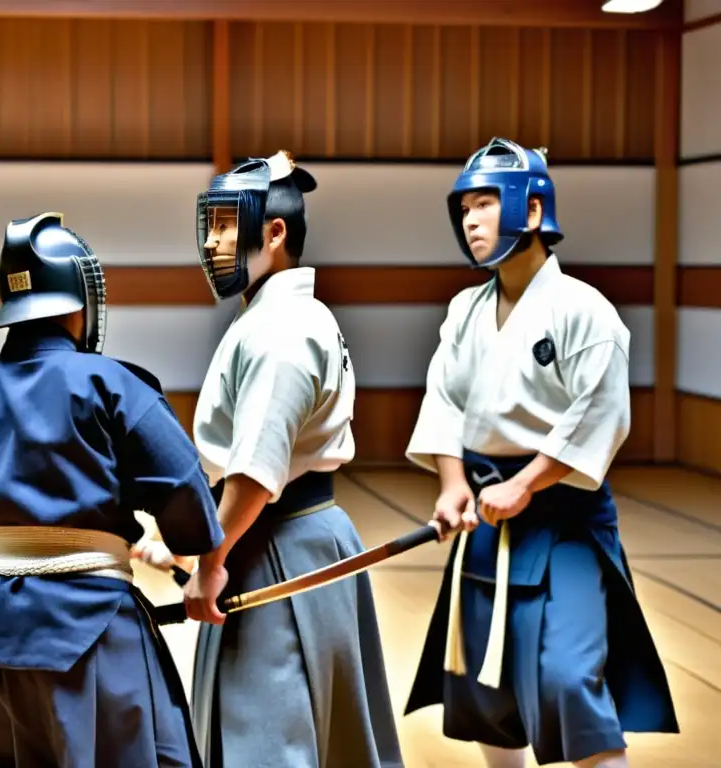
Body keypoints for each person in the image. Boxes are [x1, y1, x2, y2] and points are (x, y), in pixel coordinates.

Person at [402, 138, 680, 768]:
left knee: (566, 679)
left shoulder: (586, 311)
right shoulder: (464, 311)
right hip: (485, 513)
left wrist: (526, 483)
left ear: (530, 212)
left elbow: (599, 417)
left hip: (564, 524)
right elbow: (444, 400)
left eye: (485, 204)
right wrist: (451, 484)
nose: (471, 220)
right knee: (482, 684)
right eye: (464, 208)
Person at [0, 211, 224, 768]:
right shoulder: (112, 384)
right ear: (80, 301)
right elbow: (182, 485)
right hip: (97, 625)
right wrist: (193, 550)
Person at [133, 151, 404, 768]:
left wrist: (210, 561)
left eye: (225, 224)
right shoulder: (285, 315)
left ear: (274, 232)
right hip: (290, 538)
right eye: (208, 225)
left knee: (271, 738)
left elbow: (255, 476)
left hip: (277, 545)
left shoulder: (281, 329)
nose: (211, 241)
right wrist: (182, 544)